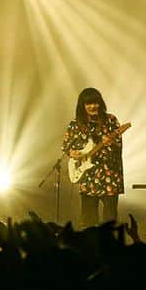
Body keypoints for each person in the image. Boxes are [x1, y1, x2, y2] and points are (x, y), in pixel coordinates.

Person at [60, 87, 126, 227]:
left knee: (110, 221)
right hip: (88, 177)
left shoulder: (111, 120)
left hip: (109, 176)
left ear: (100, 103)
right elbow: (66, 146)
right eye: (89, 103)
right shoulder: (76, 124)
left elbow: (119, 144)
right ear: (82, 106)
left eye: (95, 103)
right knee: (89, 221)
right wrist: (73, 153)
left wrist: (112, 142)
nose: (93, 106)